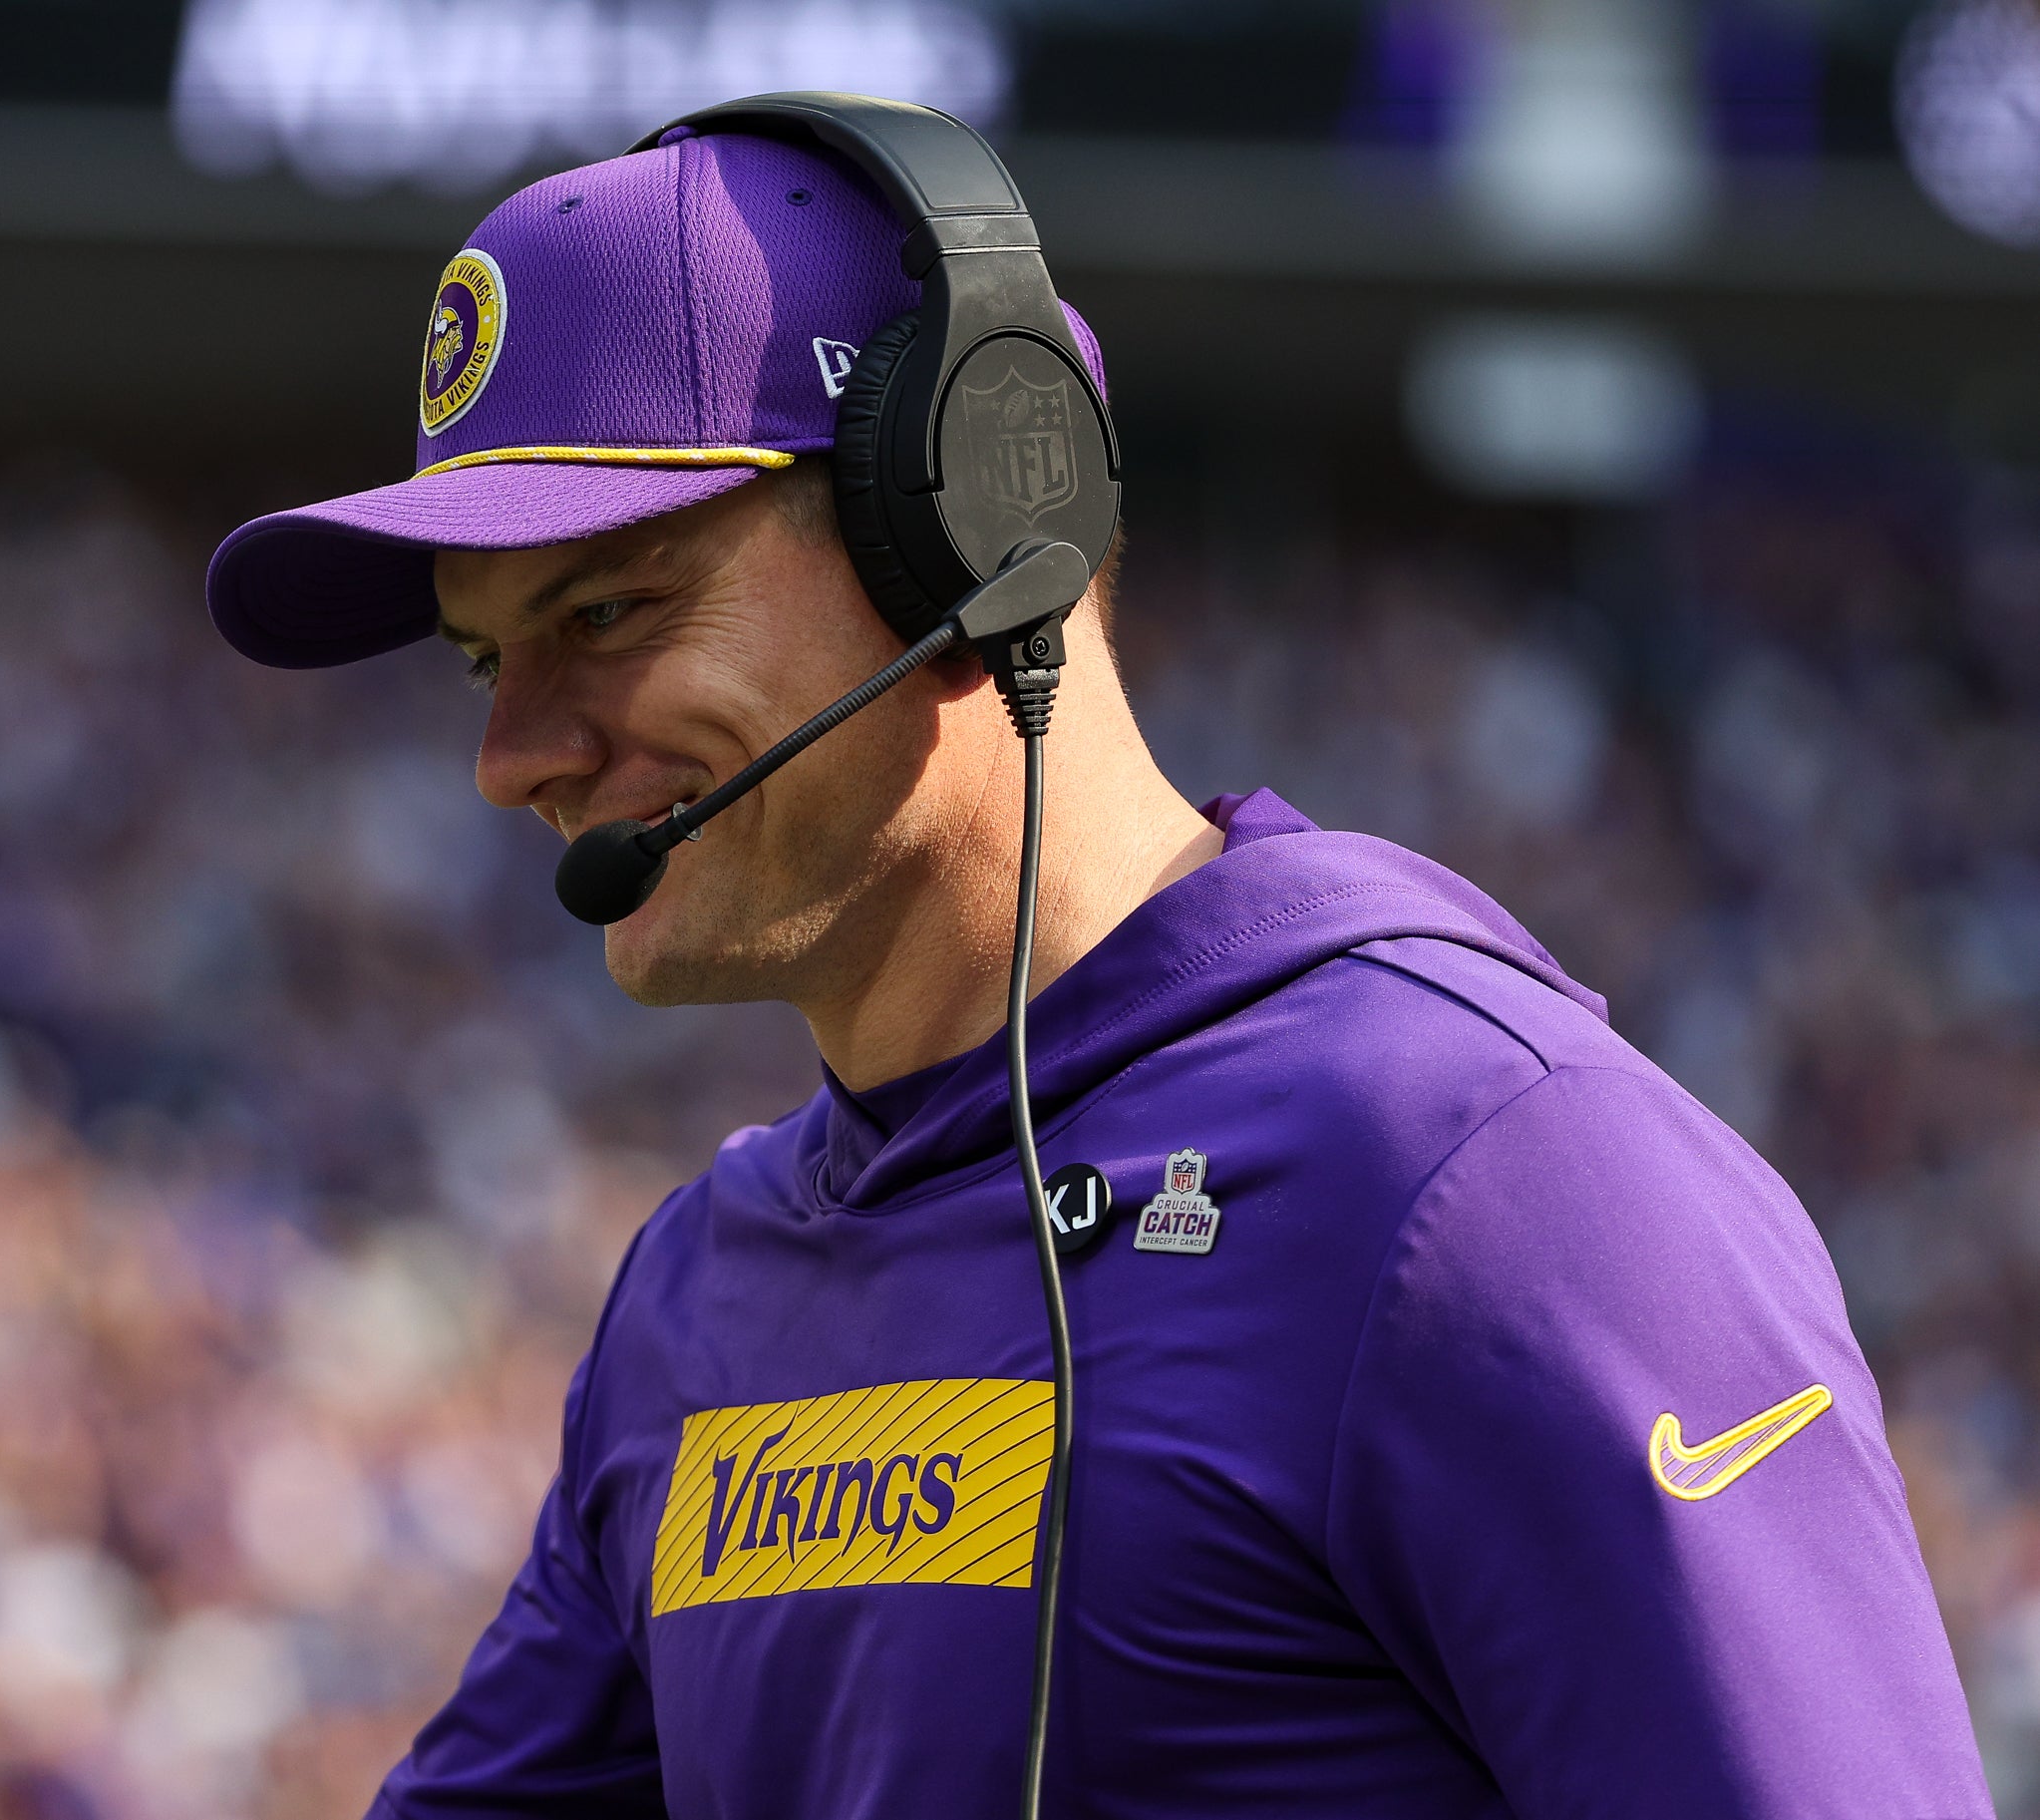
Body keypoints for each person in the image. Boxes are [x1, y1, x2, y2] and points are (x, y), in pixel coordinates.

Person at [202, 110, 1990, 1819]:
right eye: (481, 664)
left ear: (977, 527)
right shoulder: (693, 1295)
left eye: (606, 612)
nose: (514, 754)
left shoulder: (1501, 1179)